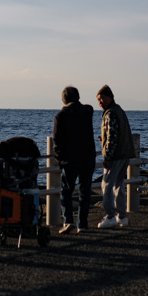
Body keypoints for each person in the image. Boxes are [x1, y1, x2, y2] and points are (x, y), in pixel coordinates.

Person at [51, 86, 95, 234]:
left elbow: (56, 142)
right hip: (88, 157)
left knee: (66, 191)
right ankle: (82, 224)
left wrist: (59, 158)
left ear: (63, 99)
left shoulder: (60, 116)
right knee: (85, 191)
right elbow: (88, 107)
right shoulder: (87, 112)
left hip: (70, 160)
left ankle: (68, 220)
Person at [97, 84, 135, 228]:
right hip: (125, 153)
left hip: (115, 156)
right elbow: (119, 133)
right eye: (98, 100)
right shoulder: (119, 110)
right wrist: (104, 139)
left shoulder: (110, 113)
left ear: (110, 97)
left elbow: (113, 137)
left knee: (106, 185)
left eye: (102, 99)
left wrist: (107, 157)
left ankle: (110, 216)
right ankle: (122, 216)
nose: (100, 102)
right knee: (119, 185)